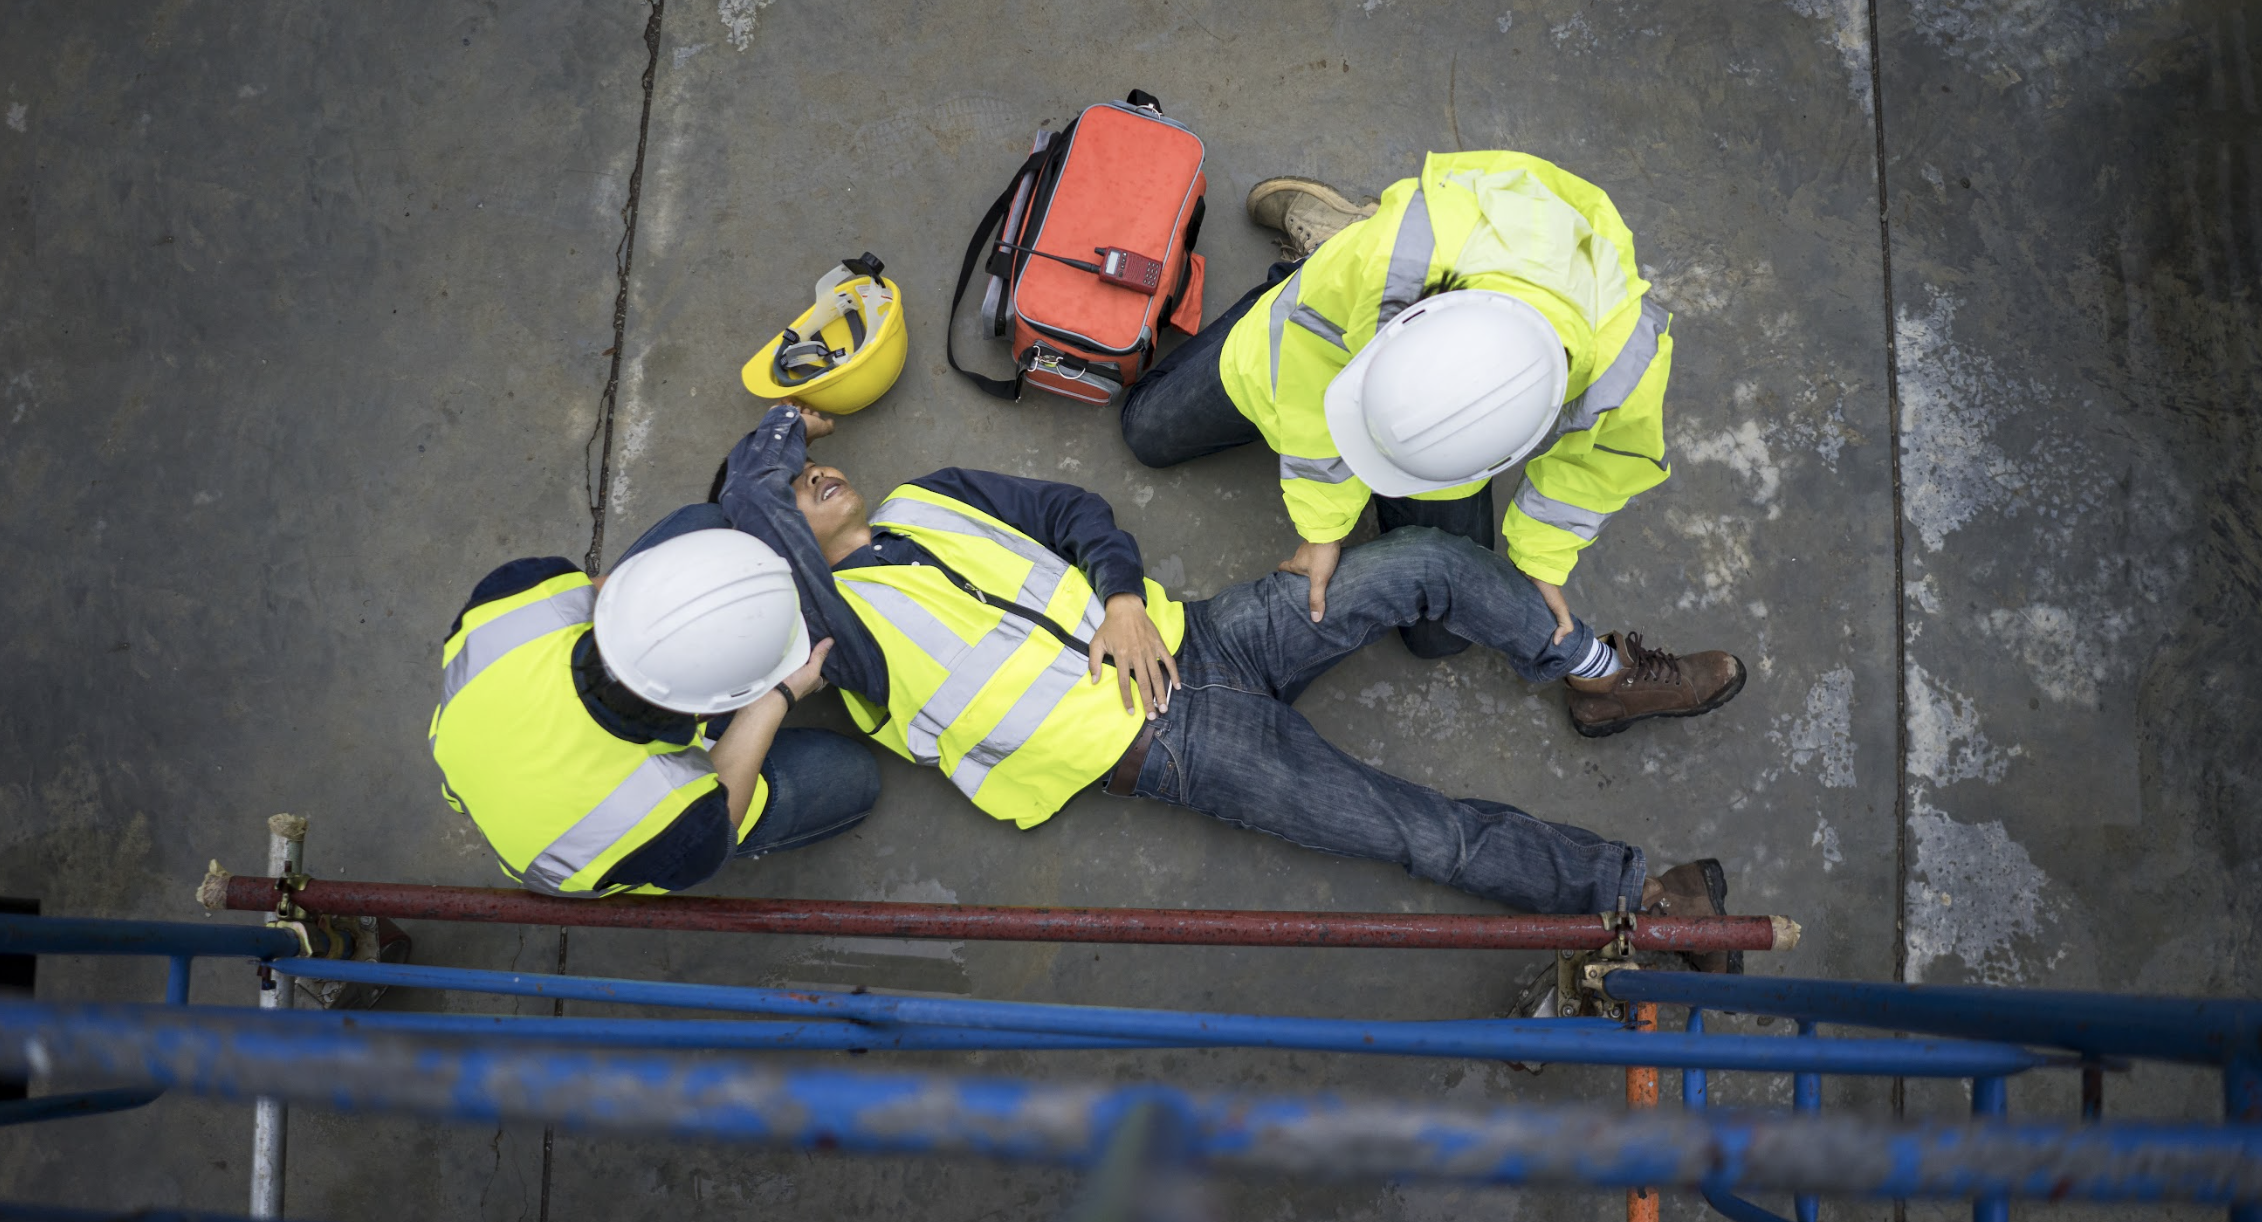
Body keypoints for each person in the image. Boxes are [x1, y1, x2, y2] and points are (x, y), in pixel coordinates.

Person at [711, 401, 1741, 958]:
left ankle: (1596, 672)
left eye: (804, 468)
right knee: (1422, 832)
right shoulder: (836, 646)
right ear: (779, 548)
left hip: (1208, 636)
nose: (814, 478)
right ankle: (1641, 893)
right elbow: (772, 530)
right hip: (1180, 751)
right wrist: (776, 438)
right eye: (794, 491)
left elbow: (1071, 510)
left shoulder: (928, 500)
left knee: (1423, 564)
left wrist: (1118, 596)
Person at [1119, 151, 1736, 739]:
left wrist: (1541, 559)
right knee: (1147, 430)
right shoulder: (1390, 258)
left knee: (1441, 638)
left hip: (1437, 408)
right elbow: (1302, 374)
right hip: (1324, 314)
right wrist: (1322, 527)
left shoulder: (1627, 350)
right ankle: (1314, 259)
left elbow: (1604, 464)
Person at [428, 506, 879, 897]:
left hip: (484, 761)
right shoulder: (672, 821)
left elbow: (606, 592)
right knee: (850, 778)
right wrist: (775, 699)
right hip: (576, 856)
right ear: (713, 708)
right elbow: (719, 826)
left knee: (708, 525)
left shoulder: (520, 592)